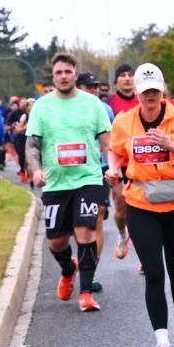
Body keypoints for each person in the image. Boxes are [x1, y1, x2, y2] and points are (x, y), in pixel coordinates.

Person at [108, 63, 174, 347]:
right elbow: (116, 151)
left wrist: (171, 146)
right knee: (153, 273)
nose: (150, 96)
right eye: (144, 91)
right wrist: (113, 168)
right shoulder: (124, 121)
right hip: (140, 204)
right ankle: (162, 343)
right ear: (137, 93)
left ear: (162, 89)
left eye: (154, 90)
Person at [25, 52, 111, 312]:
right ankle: (68, 268)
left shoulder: (92, 104)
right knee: (56, 241)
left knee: (86, 232)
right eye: (58, 73)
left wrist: (113, 167)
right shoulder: (42, 106)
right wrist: (36, 170)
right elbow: (32, 145)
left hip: (88, 178)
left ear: (75, 74)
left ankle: (86, 293)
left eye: (67, 72)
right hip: (56, 182)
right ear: (53, 77)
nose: (63, 76)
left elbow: (106, 141)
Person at [77, 71, 116, 293]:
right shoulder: (68, 108)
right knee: (76, 225)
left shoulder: (105, 109)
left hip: (98, 169)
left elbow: (112, 140)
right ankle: (77, 261)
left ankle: (91, 270)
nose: (93, 91)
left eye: (95, 87)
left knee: (97, 217)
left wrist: (113, 166)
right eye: (88, 87)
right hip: (72, 170)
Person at [109, 64, 139, 259]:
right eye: (122, 75)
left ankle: (145, 255)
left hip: (142, 163)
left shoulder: (142, 99)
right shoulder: (109, 103)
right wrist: (112, 166)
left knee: (145, 210)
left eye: (130, 75)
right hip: (120, 163)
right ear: (116, 81)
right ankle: (122, 234)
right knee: (121, 208)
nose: (127, 78)